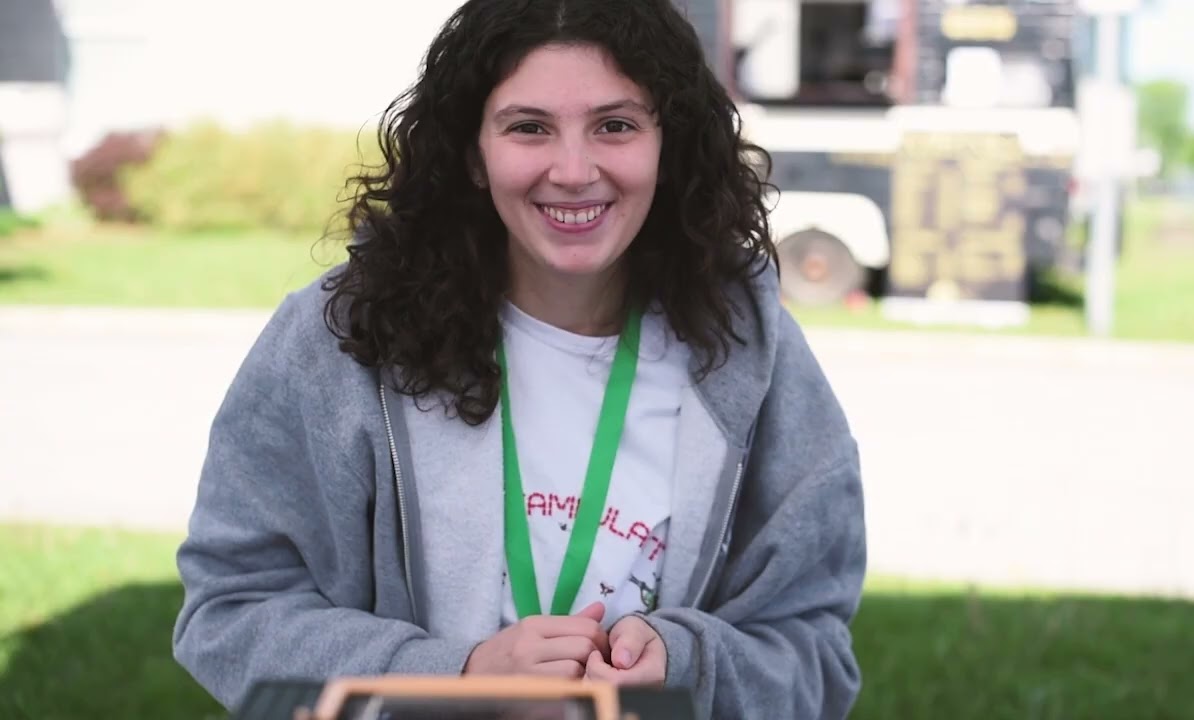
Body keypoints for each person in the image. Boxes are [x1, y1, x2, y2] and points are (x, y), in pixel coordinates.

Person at [172, 0, 867, 718]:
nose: (573, 170)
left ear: (670, 143)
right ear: (474, 152)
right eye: (529, 127)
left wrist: (686, 667)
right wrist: (458, 677)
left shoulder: (752, 352)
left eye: (615, 125)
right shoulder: (345, 341)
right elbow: (231, 610)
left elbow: (814, 653)